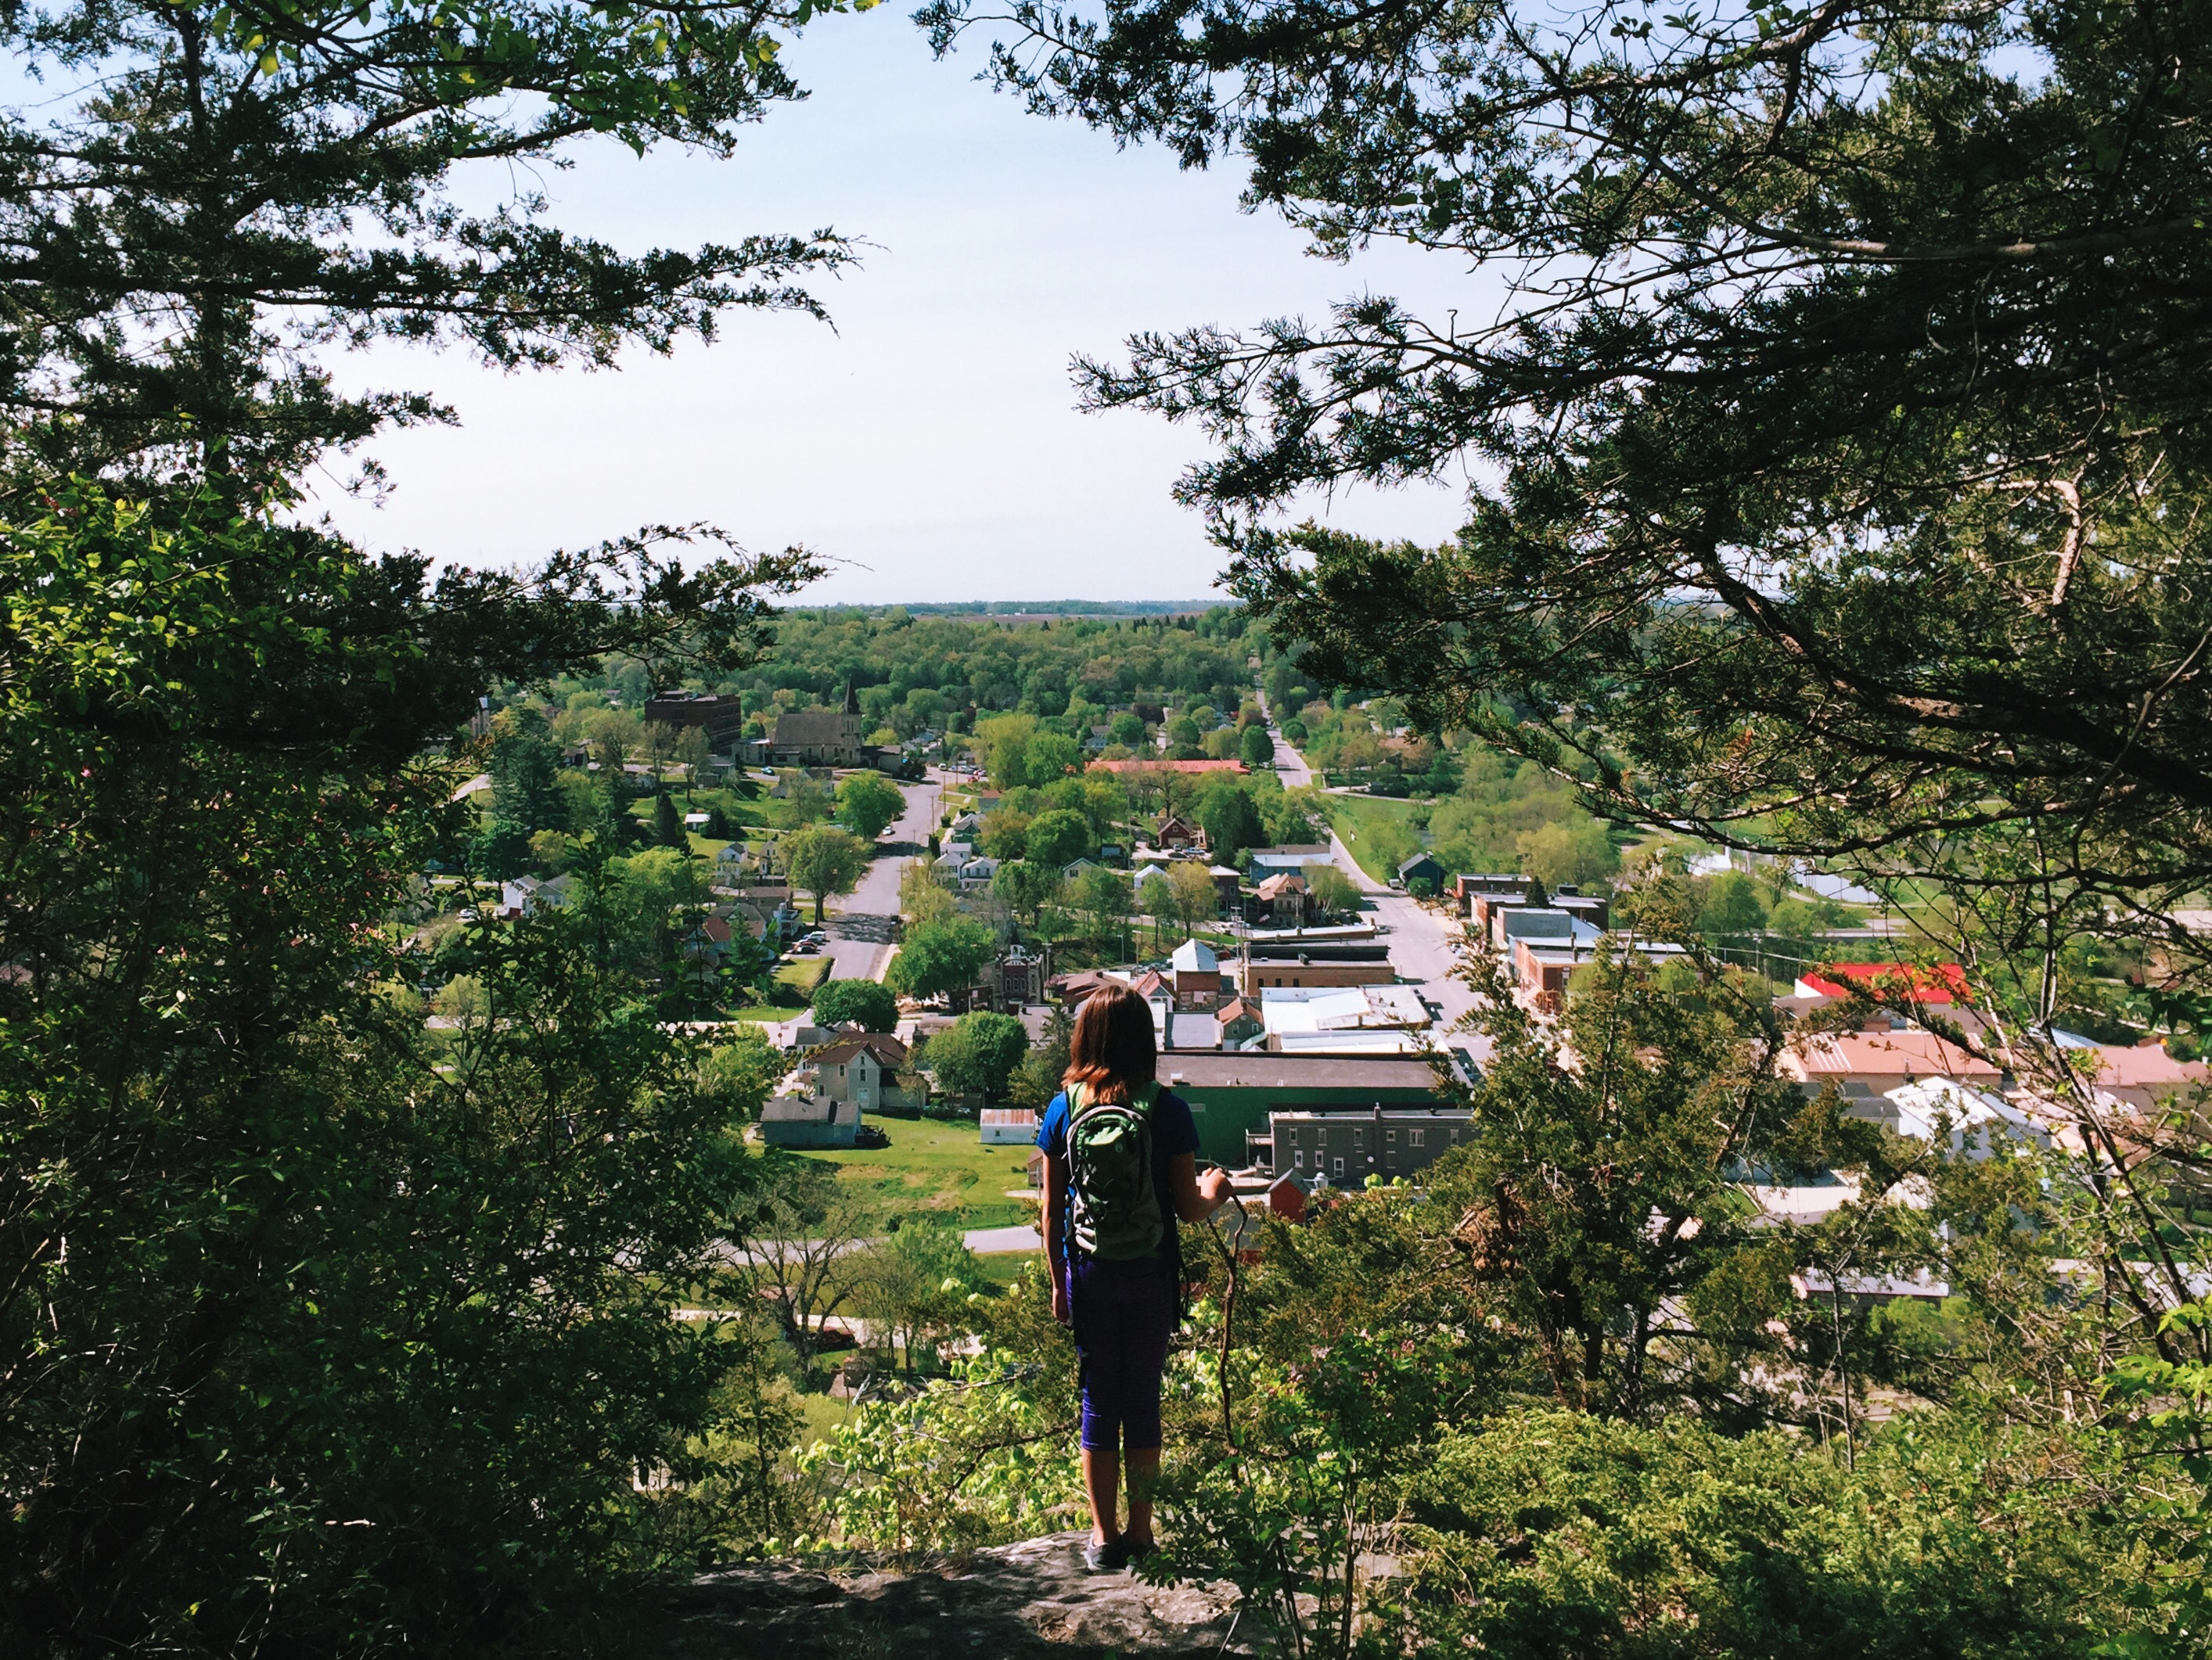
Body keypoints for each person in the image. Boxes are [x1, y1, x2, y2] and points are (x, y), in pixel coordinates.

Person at [1037, 982, 1229, 1572]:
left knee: (1100, 1398)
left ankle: (1102, 1539)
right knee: (1142, 1400)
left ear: (1084, 1038)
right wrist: (1215, 1192)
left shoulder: (1063, 1107)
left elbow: (1049, 1212)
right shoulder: (1166, 1111)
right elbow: (1187, 1208)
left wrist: (1058, 1285)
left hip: (1090, 1271)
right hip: (1149, 1272)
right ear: (1144, 1040)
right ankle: (1142, 1536)